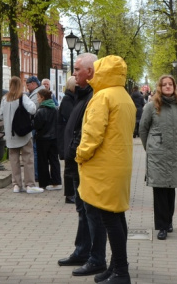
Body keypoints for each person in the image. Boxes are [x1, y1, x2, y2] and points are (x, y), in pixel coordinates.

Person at [76, 55, 136, 284]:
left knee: (110, 219)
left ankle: (121, 271)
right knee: (117, 216)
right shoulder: (124, 96)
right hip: (120, 165)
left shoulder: (102, 97)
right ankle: (116, 267)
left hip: (103, 166)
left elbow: (93, 134)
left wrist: (80, 154)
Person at [58, 53, 107, 280]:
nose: (74, 73)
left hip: (85, 163)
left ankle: (95, 258)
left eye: (77, 69)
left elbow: (88, 133)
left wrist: (77, 153)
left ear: (90, 71)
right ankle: (82, 251)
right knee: (82, 210)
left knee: (91, 212)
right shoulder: (82, 95)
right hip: (76, 163)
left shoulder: (94, 97)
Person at [138, 75, 177, 240]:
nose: (167, 87)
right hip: (157, 154)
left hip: (174, 153)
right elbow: (143, 129)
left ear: (174, 86)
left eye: (170, 84)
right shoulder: (152, 106)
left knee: (170, 189)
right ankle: (162, 226)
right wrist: (149, 147)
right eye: (164, 84)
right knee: (159, 190)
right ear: (159, 87)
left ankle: (169, 221)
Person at [0, 77, 43, 194]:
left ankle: (16, 185)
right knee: (28, 158)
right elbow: (33, 109)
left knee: (14, 160)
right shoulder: (22, 97)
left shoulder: (4, 99)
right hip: (23, 133)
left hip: (10, 135)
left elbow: (0, 115)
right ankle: (29, 184)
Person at [34, 88, 62, 191]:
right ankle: (56, 181)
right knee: (54, 160)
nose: (37, 99)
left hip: (42, 139)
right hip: (54, 138)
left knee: (43, 161)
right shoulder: (55, 109)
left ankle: (44, 182)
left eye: (38, 97)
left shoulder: (40, 110)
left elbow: (37, 125)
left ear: (42, 98)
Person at [58, 76, 78, 204]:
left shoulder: (72, 99)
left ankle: (73, 192)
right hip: (68, 137)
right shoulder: (67, 100)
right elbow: (72, 117)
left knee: (72, 167)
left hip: (71, 136)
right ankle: (69, 194)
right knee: (69, 167)